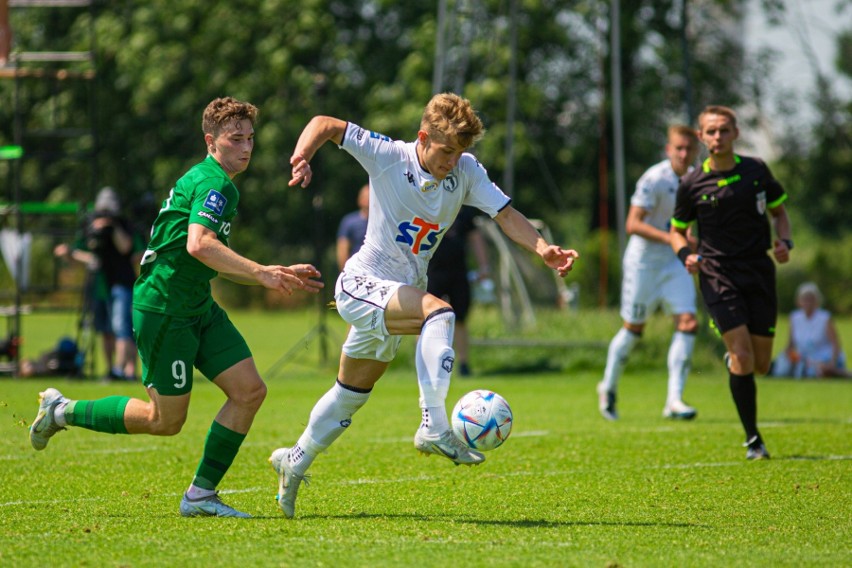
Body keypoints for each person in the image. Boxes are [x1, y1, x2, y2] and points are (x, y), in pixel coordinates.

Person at [269, 92, 579, 519]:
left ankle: (294, 460)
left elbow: (506, 215)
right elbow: (325, 122)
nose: (453, 160)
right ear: (423, 137)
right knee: (441, 312)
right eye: (447, 150)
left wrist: (542, 247)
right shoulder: (388, 155)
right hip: (363, 284)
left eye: (460, 152)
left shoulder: (466, 171)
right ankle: (433, 425)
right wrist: (302, 156)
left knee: (350, 394)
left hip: (400, 291)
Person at [28, 96, 323, 518]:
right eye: (235, 138)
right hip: (165, 308)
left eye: (250, 138)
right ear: (211, 141)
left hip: (197, 305)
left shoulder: (220, 183)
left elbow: (208, 254)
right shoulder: (214, 183)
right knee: (163, 420)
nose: (246, 147)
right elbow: (199, 243)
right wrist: (260, 273)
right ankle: (62, 411)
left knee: (250, 391)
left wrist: (267, 270)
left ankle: (200, 495)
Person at [670, 105, 792, 460]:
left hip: (758, 271)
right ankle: (754, 440)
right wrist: (685, 256)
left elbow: (780, 212)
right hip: (717, 274)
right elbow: (677, 232)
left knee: (760, 365)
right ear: (701, 137)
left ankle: (735, 366)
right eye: (711, 131)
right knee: (741, 354)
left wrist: (785, 241)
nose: (718, 137)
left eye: (724, 130)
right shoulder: (692, 184)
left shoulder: (756, 171)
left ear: (736, 133)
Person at [597, 125, 700, 421]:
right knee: (634, 329)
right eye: (678, 148)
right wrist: (672, 238)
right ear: (668, 150)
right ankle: (608, 386)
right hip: (643, 263)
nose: (683, 154)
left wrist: (688, 239)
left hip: (674, 262)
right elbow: (633, 224)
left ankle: (675, 400)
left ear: (695, 151)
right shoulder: (654, 179)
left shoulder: (696, 179)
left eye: (688, 149)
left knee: (688, 321)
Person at [55, 187, 146, 381]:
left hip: (122, 283)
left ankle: (122, 371)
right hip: (100, 285)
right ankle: (111, 368)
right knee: (106, 330)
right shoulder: (90, 226)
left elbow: (127, 248)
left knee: (122, 327)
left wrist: (112, 227)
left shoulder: (123, 226)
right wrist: (71, 252)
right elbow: (88, 255)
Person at [426, 205, 491, 377]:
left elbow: (475, 238)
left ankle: (463, 364)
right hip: (432, 272)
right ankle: (426, 364)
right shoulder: (427, 206)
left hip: (458, 273)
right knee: (425, 320)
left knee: (460, 319)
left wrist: (483, 266)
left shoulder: (464, 212)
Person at [771, 282, 849, 378]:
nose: (807, 302)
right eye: (804, 299)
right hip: (804, 358)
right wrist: (787, 355)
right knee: (783, 369)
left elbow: (835, 344)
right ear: (799, 301)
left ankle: (837, 372)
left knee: (818, 370)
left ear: (817, 301)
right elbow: (791, 344)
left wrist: (832, 362)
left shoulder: (824, 318)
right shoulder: (795, 317)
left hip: (824, 357)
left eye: (810, 299)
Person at [336, 183, 369, 271]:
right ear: (359, 200)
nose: (369, 200)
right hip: (356, 270)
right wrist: (344, 271)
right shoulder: (349, 221)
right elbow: (342, 248)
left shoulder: (382, 222)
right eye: (366, 197)